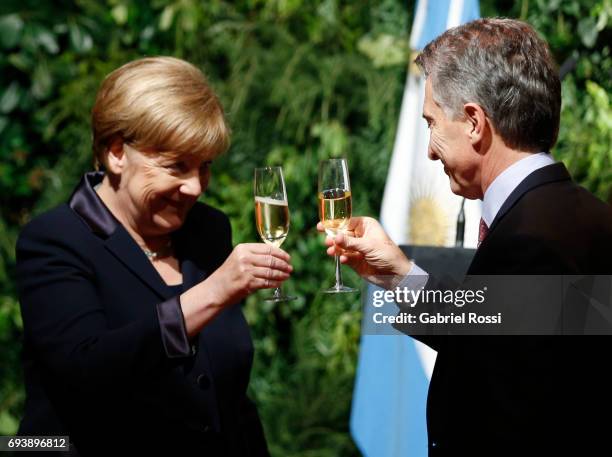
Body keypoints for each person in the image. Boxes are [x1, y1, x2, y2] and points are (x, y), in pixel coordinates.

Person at [318, 18, 612, 455]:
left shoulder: (529, 243)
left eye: (432, 123)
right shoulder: (586, 217)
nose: (430, 149)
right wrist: (398, 274)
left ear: (474, 122)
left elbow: (513, 413)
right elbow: (492, 328)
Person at [16, 56, 292, 456]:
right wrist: (213, 293)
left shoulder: (207, 229)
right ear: (116, 153)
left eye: (205, 167)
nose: (195, 187)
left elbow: (225, 395)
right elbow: (86, 371)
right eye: (176, 166)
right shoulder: (55, 241)